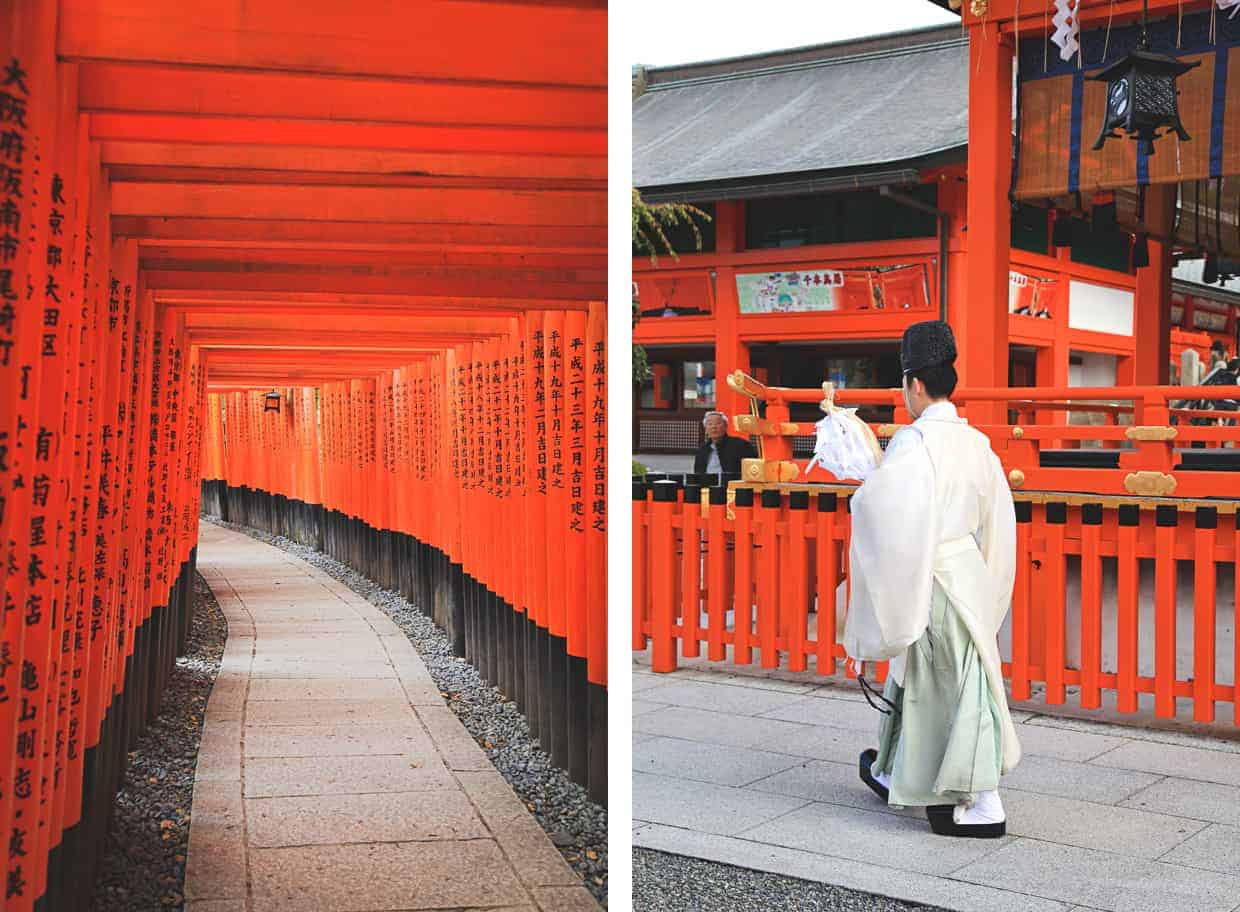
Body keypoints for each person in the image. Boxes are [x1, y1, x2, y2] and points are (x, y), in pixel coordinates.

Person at [844, 319, 1021, 839]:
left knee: (953, 687)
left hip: (933, 573)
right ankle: (895, 770)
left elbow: (885, 509)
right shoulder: (976, 443)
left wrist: (862, 479)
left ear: (914, 384)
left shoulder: (916, 442)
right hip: (966, 568)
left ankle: (981, 804)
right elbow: (999, 519)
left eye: (904, 385)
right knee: (930, 679)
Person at [693, 410, 756, 477]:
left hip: (731, 485)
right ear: (705, 429)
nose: (714, 427)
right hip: (707, 486)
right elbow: (697, 474)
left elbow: (752, 469)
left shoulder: (740, 445)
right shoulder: (702, 450)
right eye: (710, 424)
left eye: (718, 423)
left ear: (726, 426)